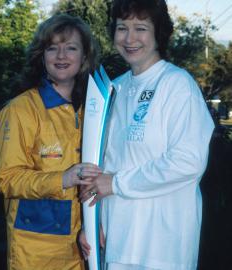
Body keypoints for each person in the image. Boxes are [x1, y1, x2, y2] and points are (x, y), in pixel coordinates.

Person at [79, 0, 215, 269]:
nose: (129, 38)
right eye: (122, 28)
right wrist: (93, 223)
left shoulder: (177, 84)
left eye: (140, 28)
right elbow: (103, 166)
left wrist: (116, 184)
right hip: (117, 244)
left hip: (161, 249)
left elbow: (188, 161)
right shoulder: (114, 90)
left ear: (158, 33)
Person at [0, 14, 100, 270]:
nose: (61, 56)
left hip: (81, 248)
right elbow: (7, 179)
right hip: (35, 252)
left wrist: (96, 225)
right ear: (42, 57)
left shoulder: (93, 110)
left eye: (71, 48)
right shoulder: (20, 110)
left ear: (84, 57)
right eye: (52, 48)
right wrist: (61, 179)